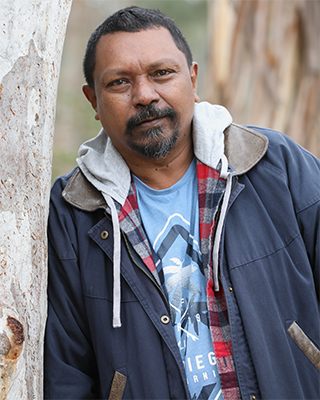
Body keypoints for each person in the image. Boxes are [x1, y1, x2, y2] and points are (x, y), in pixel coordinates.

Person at [44, 6, 320, 400]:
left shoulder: (273, 164)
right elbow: (66, 371)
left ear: (192, 79)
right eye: (120, 82)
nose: (144, 95)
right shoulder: (73, 210)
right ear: (93, 99)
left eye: (161, 73)